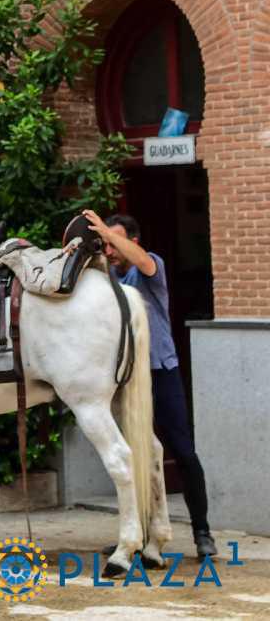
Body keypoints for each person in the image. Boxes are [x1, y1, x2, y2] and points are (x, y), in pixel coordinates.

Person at [82, 209, 217, 558]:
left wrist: (110, 237)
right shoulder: (109, 280)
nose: (109, 249)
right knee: (135, 453)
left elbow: (142, 262)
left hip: (161, 371)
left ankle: (203, 533)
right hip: (126, 380)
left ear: (131, 239)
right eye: (106, 243)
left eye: (115, 241)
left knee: (183, 451)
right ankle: (137, 534)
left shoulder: (149, 266)